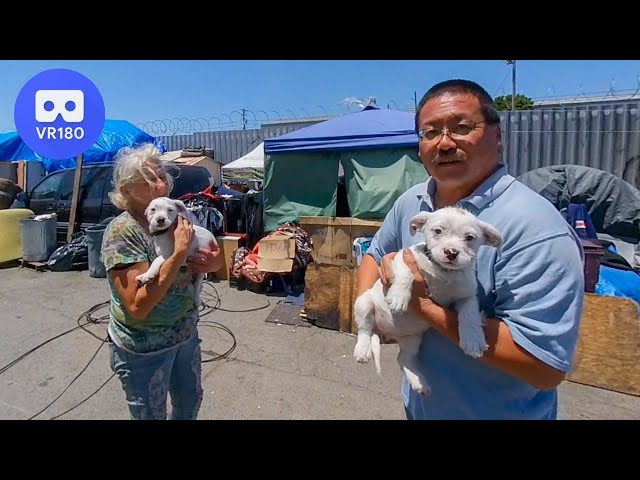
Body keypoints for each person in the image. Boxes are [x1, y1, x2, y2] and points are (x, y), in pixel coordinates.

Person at [357, 79, 586, 420]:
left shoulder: (536, 227)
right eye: (430, 132)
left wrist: (422, 305)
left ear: (498, 136)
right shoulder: (413, 201)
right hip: (420, 407)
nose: (444, 143)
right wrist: (373, 318)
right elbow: (375, 254)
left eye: (461, 127)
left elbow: (545, 367)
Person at [100, 143, 223, 420]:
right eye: (149, 179)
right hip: (144, 349)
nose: (161, 183)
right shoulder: (122, 232)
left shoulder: (177, 217)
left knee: (189, 403)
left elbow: (211, 259)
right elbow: (137, 306)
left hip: (184, 334)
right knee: (151, 414)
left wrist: (214, 263)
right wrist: (179, 253)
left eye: (162, 176)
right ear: (126, 191)